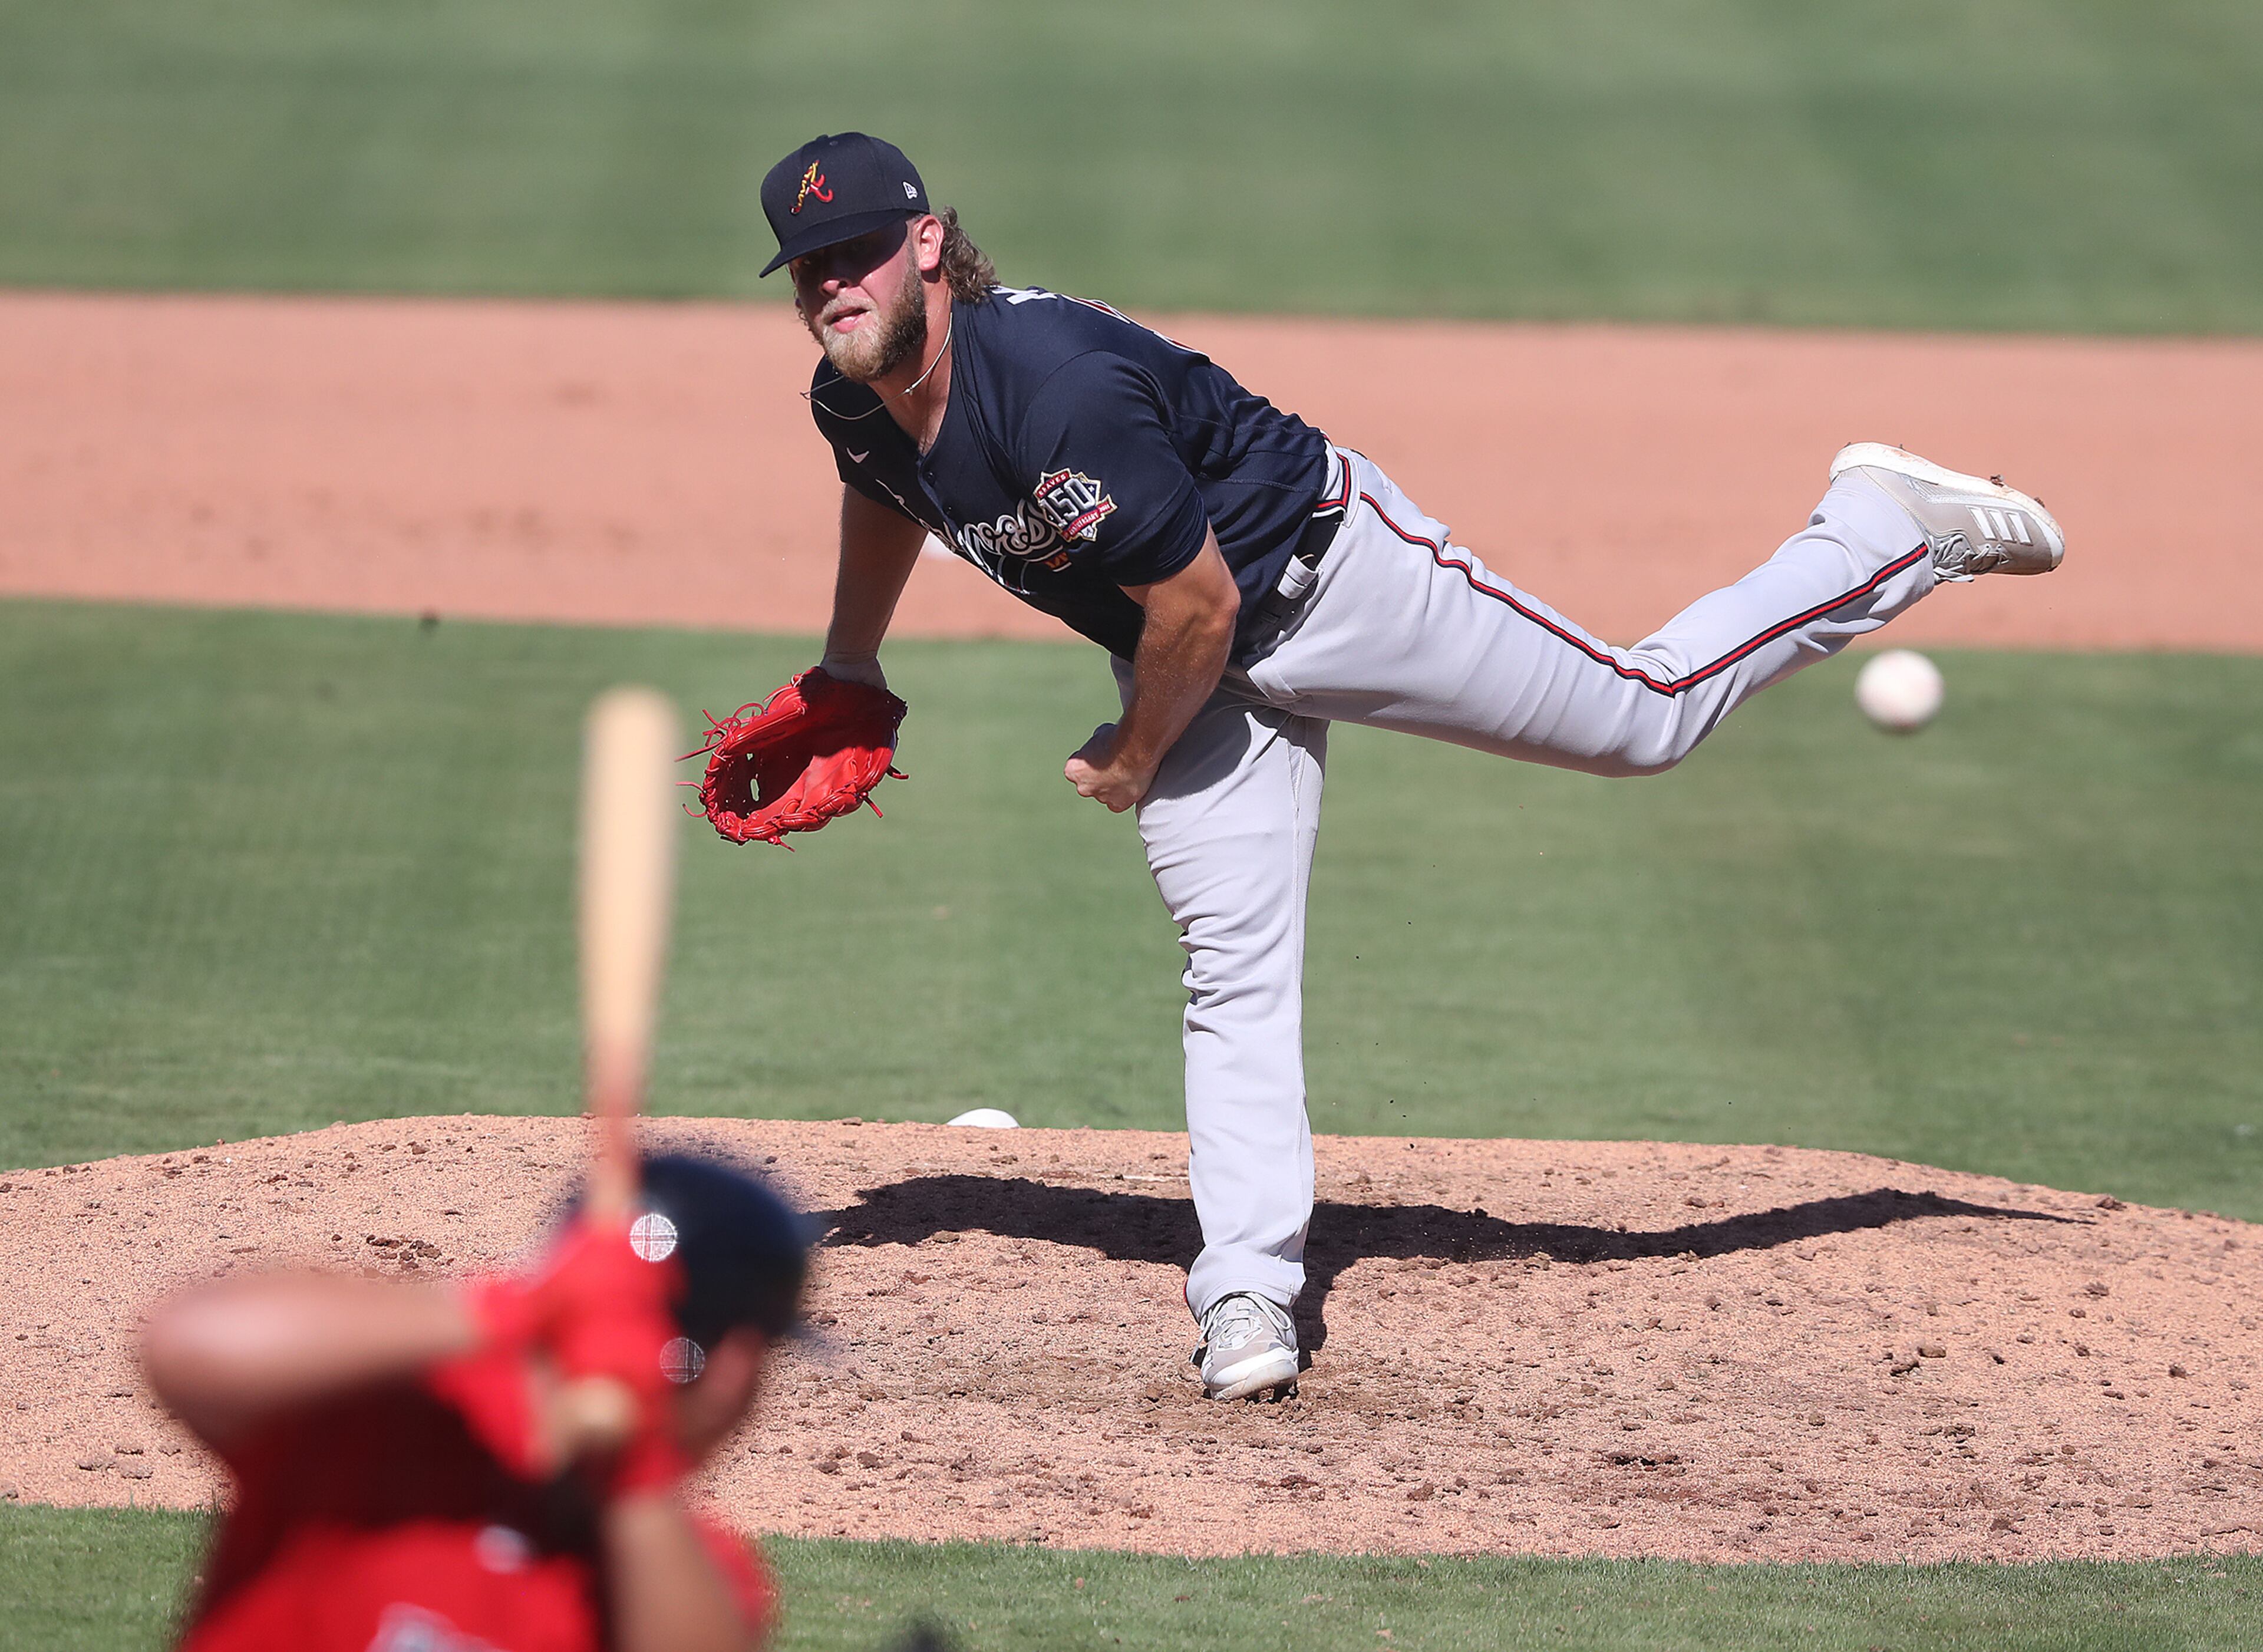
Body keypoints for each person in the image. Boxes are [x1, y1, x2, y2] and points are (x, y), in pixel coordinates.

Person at [757, 131, 2064, 1402]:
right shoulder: (852, 401)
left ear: (928, 244)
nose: (834, 284)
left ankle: (1880, 529)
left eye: (857, 251)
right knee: (1234, 960)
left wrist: (1134, 754)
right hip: (1187, 645)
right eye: (808, 265)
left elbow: (1201, 606)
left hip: (1334, 587)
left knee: (1642, 717)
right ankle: (1247, 1289)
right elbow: (889, 488)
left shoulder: (1052, 387)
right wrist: (849, 662)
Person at [143, 1153, 808, 1651]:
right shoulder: (389, 1416)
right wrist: (519, 1303)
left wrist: (634, 1468)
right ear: (731, 1364)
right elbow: (189, 1347)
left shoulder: (686, 1566)